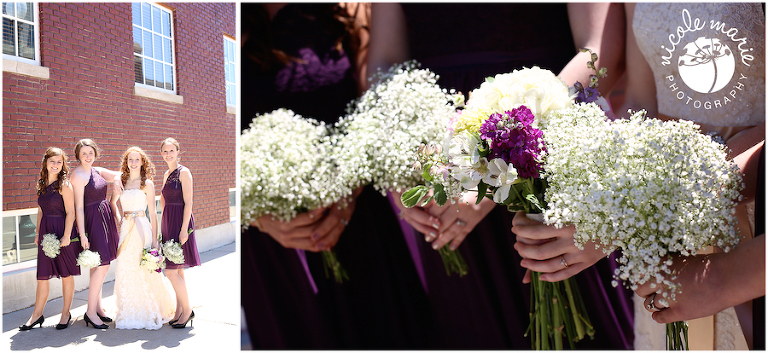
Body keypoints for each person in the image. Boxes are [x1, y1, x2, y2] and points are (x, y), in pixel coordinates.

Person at [368, 3, 633, 349]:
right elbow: (385, 62)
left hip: (544, 163)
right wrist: (397, 164)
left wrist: (492, 168)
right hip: (443, 182)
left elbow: (599, 51)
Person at [514, 3, 765, 349]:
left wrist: (624, 216)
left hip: (749, 213)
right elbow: (641, 106)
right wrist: (593, 202)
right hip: (660, 231)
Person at [241, 3, 430, 349]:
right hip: (273, 250)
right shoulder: (230, 23)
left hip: (359, 224)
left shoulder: (347, 13)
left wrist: (349, 190)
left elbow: (372, 104)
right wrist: (258, 217)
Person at [111, 146, 175, 330]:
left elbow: (153, 214)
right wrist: (119, 217)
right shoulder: (121, 181)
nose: (133, 163)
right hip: (126, 229)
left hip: (142, 229)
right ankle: (130, 310)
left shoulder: (147, 183)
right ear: (126, 162)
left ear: (142, 162)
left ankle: (150, 308)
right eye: (130, 159)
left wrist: (155, 240)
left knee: (145, 267)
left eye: (136, 160)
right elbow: (112, 203)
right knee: (126, 266)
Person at [19, 147, 83, 331]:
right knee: (42, 276)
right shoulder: (41, 184)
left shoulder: (65, 185)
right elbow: (40, 211)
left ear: (63, 164)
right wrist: (37, 233)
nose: (55, 165)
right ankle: (36, 315)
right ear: (45, 163)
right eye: (52, 161)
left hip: (63, 232)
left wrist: (66, 236)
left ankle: (65, 313)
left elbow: (71, 212)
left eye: (59, 162)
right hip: (46, 233)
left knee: (66, 275)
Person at [70, 139, 121, 329]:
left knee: (96, 266)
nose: (88, 156)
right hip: (92, 222)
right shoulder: (77, 175)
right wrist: (83, 234)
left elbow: (119, 174)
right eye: (84, 153)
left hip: (104, 219)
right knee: (102, 265)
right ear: (78, 155)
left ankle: (98, 308)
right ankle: (90, 313)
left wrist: (117, 180)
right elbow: (78, 208)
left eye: (90, 153)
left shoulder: (96, 170)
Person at [160, 138, 200, 329]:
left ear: (177, 151)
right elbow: (163, 200)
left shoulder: (184, 172)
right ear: (161, 154)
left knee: (170, 270)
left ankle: (188, 310)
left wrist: (184, 229)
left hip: (180, 222)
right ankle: (179, 310)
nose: (168, 154)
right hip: (168, 222)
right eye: (165, 151)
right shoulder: (166, 174)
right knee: (177, 270)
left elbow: (189, 202)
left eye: (171, 151)